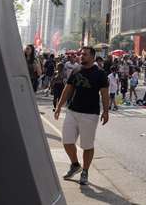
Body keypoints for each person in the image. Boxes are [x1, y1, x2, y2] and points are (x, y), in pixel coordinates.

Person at [54, 46, 110, 186]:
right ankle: (75, 165)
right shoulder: (76, 69)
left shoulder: (100, 73)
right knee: (67, 141)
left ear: (92, 56)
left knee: (87, 145)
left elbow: (104, 94)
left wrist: (106, 111)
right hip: (72, 111)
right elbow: (68, 89)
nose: (81, 56)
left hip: (90, 114)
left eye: (84, 54)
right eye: (81, 54)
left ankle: (85, 171)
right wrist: (59, 106)